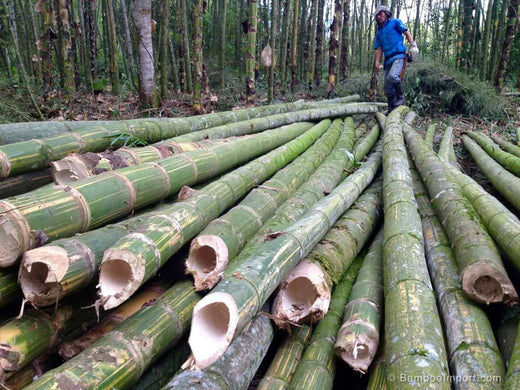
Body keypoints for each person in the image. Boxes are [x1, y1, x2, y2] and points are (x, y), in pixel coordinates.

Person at [373, 5, 419, 113]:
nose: (379, 17)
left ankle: (400, 97)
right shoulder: (379, 32)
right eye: (377, 16)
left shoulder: (395, 22)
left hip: (399, 56)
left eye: (381, 14)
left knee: (393, 76)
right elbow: (379, 48)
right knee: (387, 88)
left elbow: (406, 31)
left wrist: (413, 44)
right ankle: (391, 109)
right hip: (388, 60)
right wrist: (377, 61)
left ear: (386, 13)